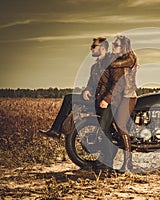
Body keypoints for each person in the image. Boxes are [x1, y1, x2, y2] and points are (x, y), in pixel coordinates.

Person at [39, 36, 111, 139]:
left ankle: (56, 130)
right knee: (69, 98)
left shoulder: (111, 63)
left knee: (69, 99)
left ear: (103, 48)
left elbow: (115, 83)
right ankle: (56, 130)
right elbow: (90, 84)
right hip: (95, 98)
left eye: (94, 46)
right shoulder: (95, 67)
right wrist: (86, 90)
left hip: (104, 101)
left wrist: (106, 99)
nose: (91, 48)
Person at [96, 35, 138, 172]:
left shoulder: (129, 58)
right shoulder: (117, 58)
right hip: (119, 96)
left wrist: (107, 61)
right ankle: (108, 158)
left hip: (128, 96)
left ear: (124, 47)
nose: (113, 47)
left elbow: (115, 67)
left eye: (116, 45)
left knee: (120, 124)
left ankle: (128, 164)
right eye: (113, 44)